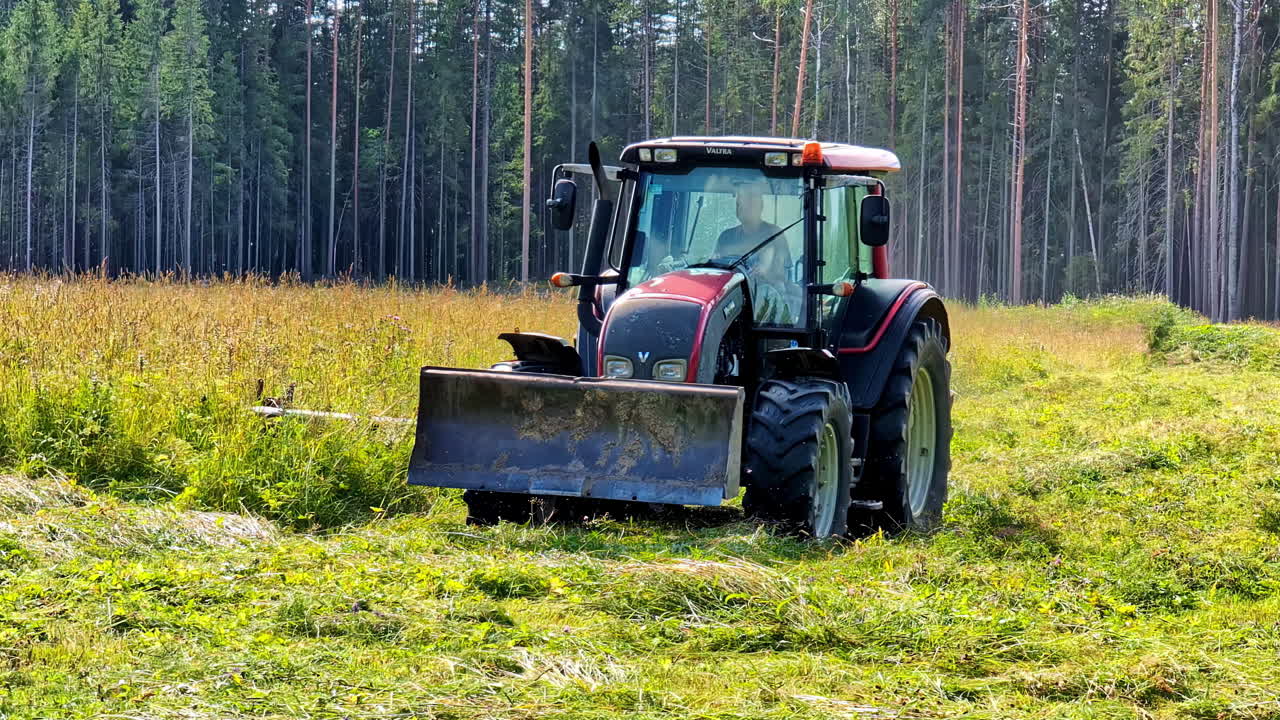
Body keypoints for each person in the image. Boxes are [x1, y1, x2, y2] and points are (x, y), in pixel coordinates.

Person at [714, 184, 783, 258]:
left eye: (748, 203)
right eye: (738, 204)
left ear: (760, 206)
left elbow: (783, 268)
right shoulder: (726, 237)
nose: (741, 206)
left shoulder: (775, 235)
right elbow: (714, 265)